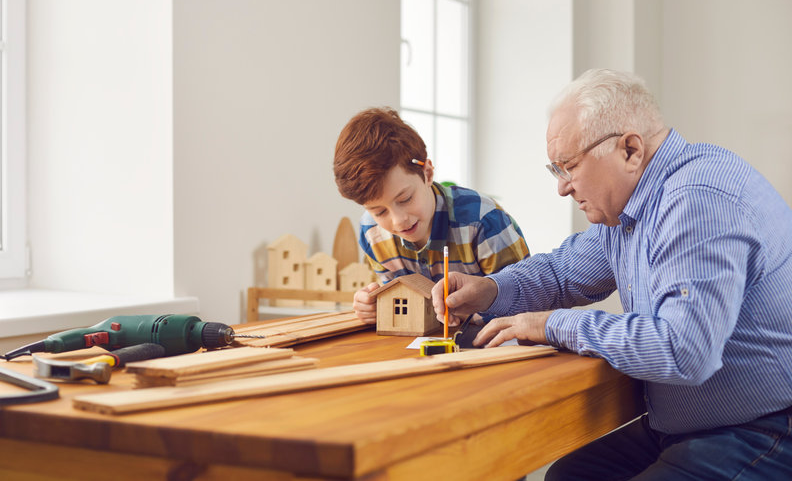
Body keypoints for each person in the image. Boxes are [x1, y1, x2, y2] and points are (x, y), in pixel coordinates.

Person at [432, 69, 792, 480]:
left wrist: (553, 325)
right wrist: (490, 289)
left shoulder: (697, 201)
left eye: (568, 166)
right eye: (556, 170)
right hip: (683, 424)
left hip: (763, 429)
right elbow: (561, 272)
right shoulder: (627, 212)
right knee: (566, 476)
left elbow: (684, 350)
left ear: (631, 150)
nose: (563, 188)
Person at [333, 107, 529, 324]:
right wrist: (376, 306)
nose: (398, 220)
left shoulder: (483, 220)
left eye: (405, 199)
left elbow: (527, 300)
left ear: (427, 173)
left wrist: (472, 313)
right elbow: (401, 305)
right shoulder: (372, 233)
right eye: (379, 211)